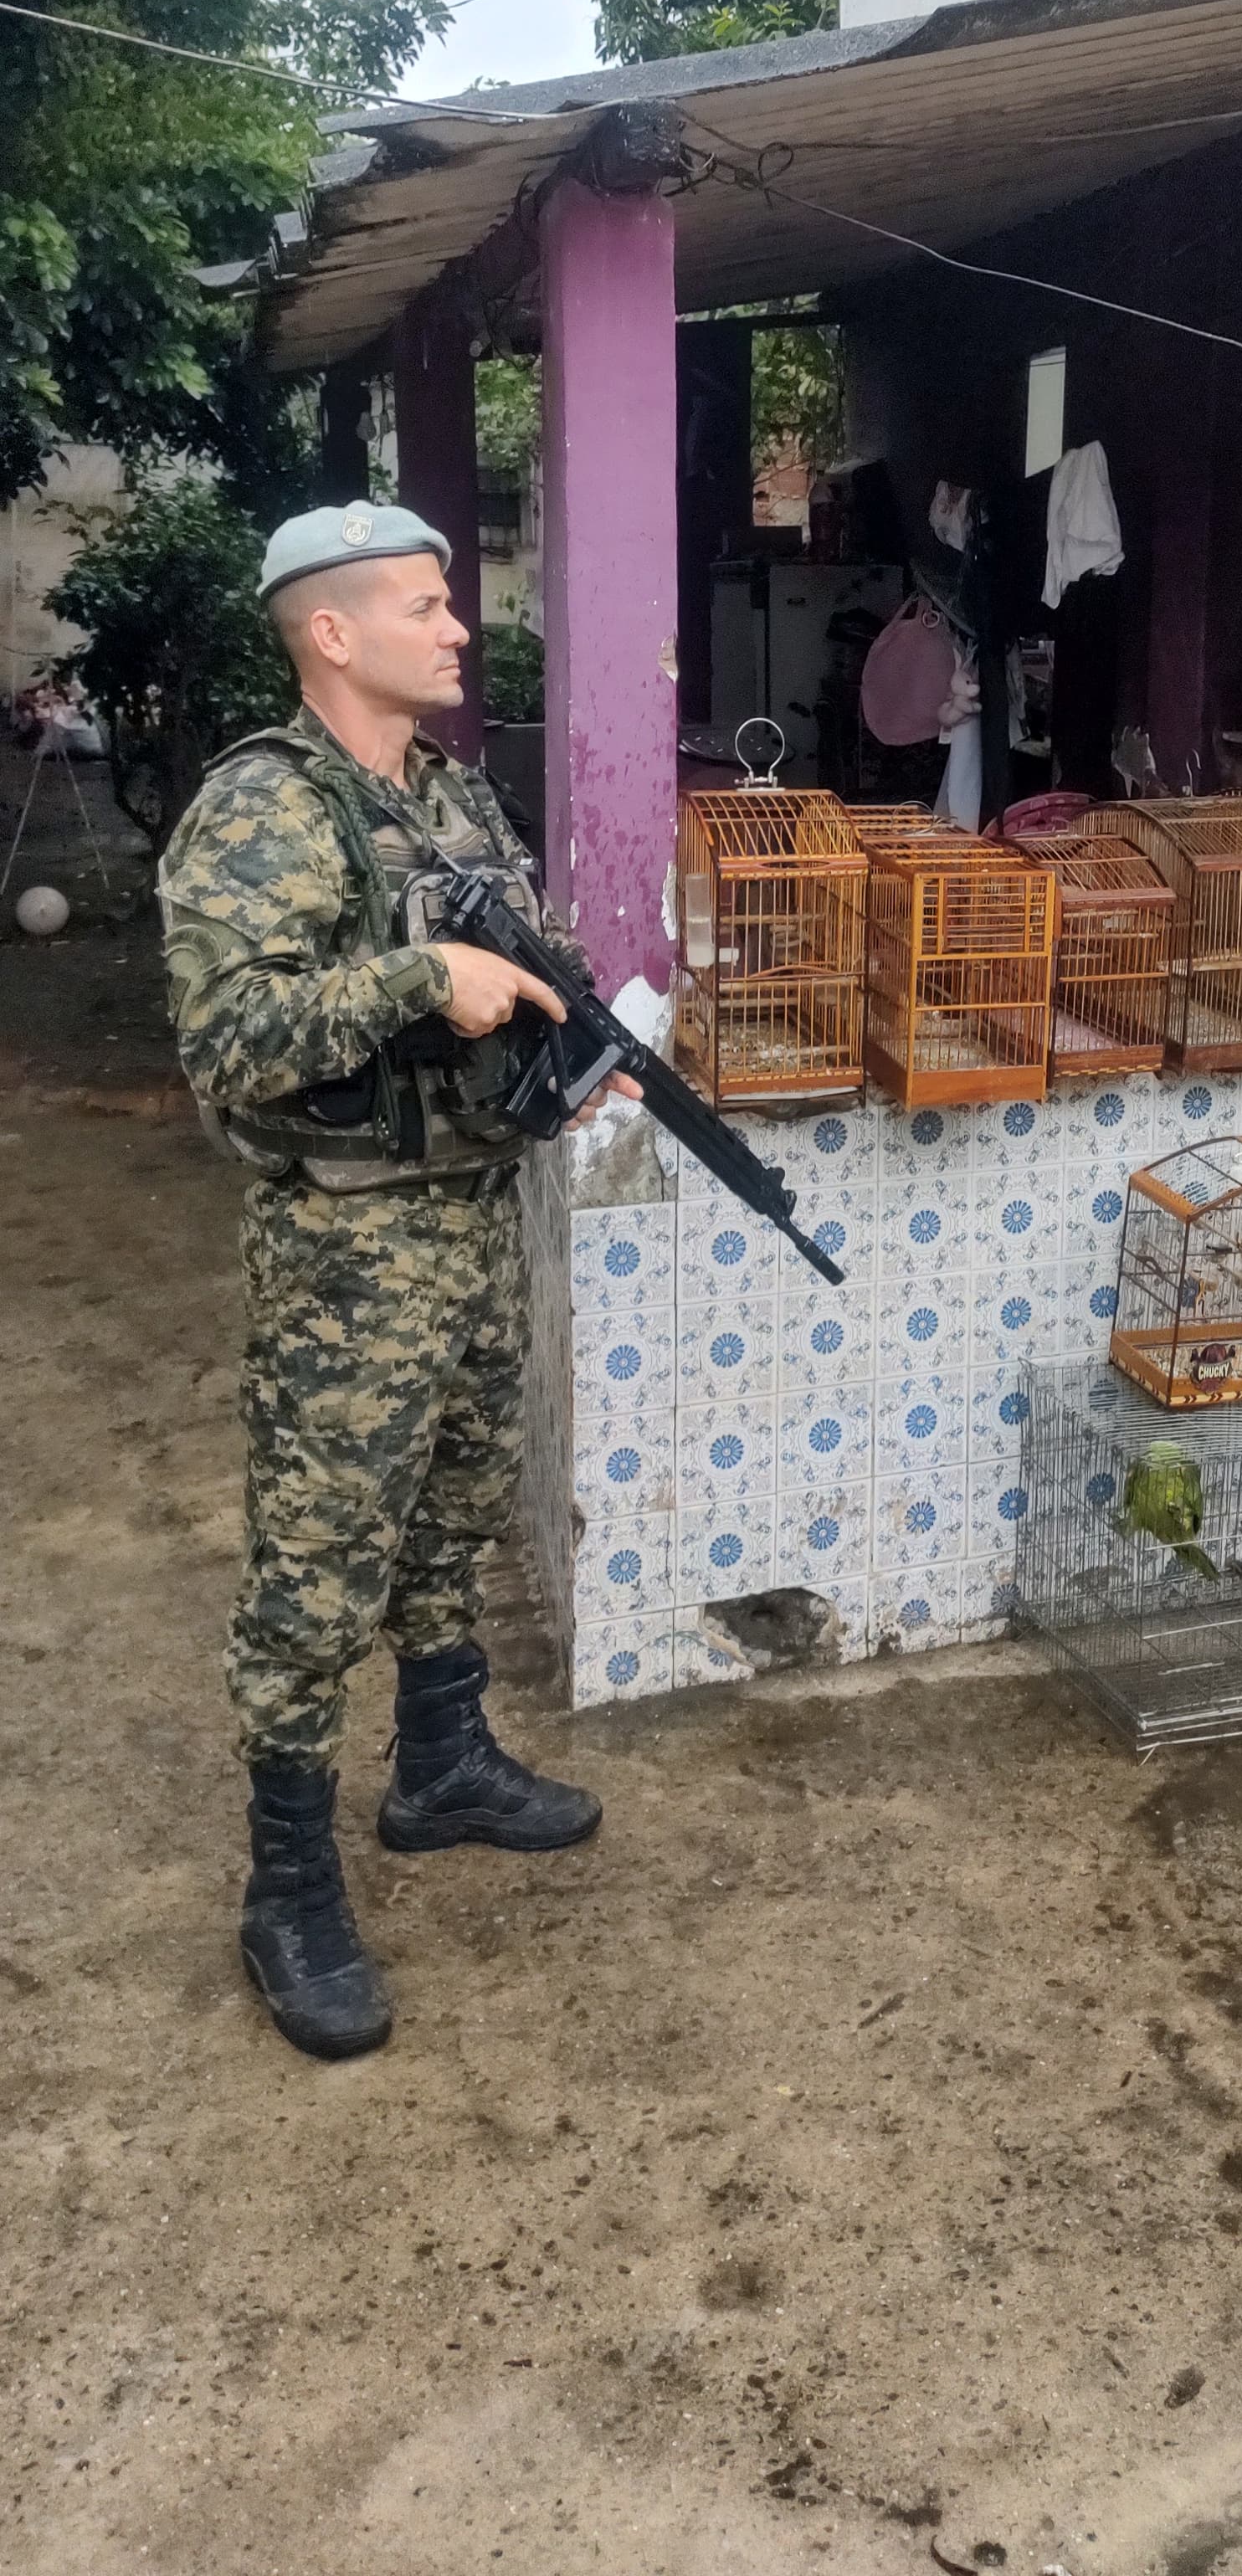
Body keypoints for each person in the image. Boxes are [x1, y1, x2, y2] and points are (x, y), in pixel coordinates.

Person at [158, 501, 639, 2064]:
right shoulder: (261, 810)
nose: (458, 628)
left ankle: (439, 1768)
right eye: (429, 607)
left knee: (454, 1508)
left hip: (472, 1216)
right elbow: (228, 1040)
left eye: (455, 603)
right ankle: (287, 1881)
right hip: (346, 1251)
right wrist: (422, 977)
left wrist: (580, 1051)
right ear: (332, 632)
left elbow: (540, 963)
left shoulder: (446, 800)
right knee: (318, 1560)